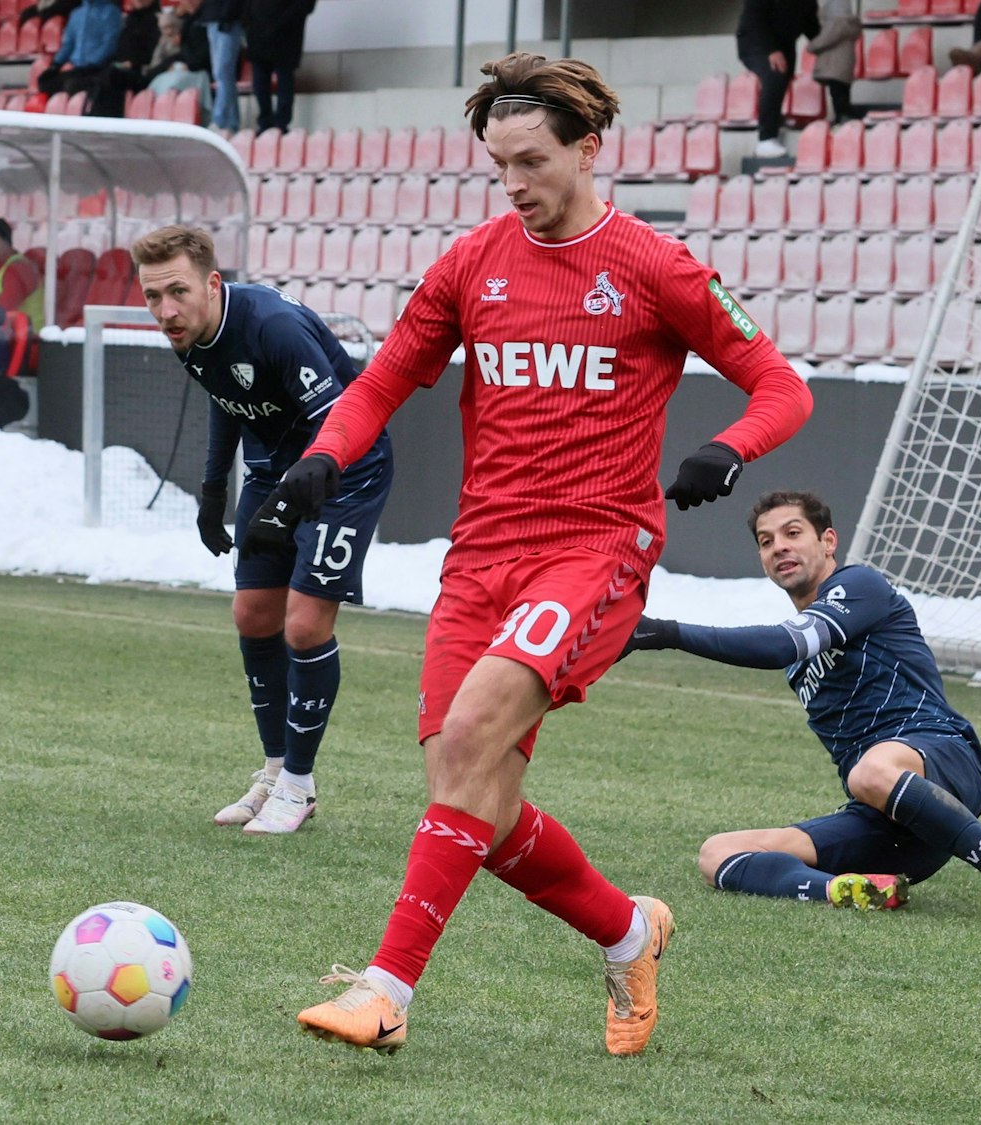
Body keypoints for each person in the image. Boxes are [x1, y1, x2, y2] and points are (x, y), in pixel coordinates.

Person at [262, 53, 813, 1055]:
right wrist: (320, 460)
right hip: (480, 555)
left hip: (594, 548)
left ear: (587, 148)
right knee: (468, 792)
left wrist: (724, 451)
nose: (512, 184)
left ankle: (382, 992)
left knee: (471, 740)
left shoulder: (651, 265)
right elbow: (381, 381)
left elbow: (779, 387)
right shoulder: (472, 262)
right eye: (496, 164)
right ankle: (625, 930)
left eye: (530, 160)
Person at [619, 491, 981, 924]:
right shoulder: (800, 667)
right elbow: (789, 648)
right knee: (717, 853)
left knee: (870, 771)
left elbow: (785, 642)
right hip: (892, 824)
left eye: (792, 532)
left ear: (828, 541)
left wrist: (665, 632)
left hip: (944, 764)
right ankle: (848, 889)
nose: (779, 546)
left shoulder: (859, 585)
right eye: (766, 541)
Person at [133, 225, 394, 836]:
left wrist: (284, 510)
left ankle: (299, 787)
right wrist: (213, 490)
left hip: (344, 467)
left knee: (303, 622)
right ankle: (275, 771)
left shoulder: (274, 328)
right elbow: (227, 397)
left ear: (212, 283)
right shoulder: (188, 332)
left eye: (177, 291)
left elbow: (339, 425)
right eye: (152, 296)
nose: (166, 310)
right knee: (252, 614)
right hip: (274, 468)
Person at [736, 0, 820, 158]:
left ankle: (775, 118)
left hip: (785, 46)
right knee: (774, 75)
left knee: (784, 78)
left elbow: (811, 27)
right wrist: (771, 50)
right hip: (756, 42)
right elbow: (754, 20)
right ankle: (766, 139)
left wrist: (829, 44)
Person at [243, 0, 315, 133]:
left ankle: (281, 123)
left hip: (286, 37)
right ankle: (265, 121)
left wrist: (286, 22)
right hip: (258, 34)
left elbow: (305, 5)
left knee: (284, 81)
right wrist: (248, 24)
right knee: (260, 83)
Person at [37, 0, 124, 105]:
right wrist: (56, 64)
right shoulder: (76, 13)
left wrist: (93, 63)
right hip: (79, 69)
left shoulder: (110, 12)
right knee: (46, 82)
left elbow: (109, 44)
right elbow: (68, 44)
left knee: (73, 84)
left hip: (99, 69)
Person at [0, 217, 44, 330]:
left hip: (28, 336)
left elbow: (3, 310)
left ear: (7, 242)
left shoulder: (18, 268)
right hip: (5, 333)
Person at [808, 0, 862, 124]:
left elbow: (826, 39)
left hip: (835, 65)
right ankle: (841, 117)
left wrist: (811, 46)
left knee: (837, 93)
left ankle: (843, 117)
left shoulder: (839, 24)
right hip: (841, 65)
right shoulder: (849, 24)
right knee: (841, 91)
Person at [199, 0, 243, 131]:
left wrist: (227, 15)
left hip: (228, 22)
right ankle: (232, 121)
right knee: (221, 75)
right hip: (213, 18)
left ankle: (220, 120)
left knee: (223, 72)